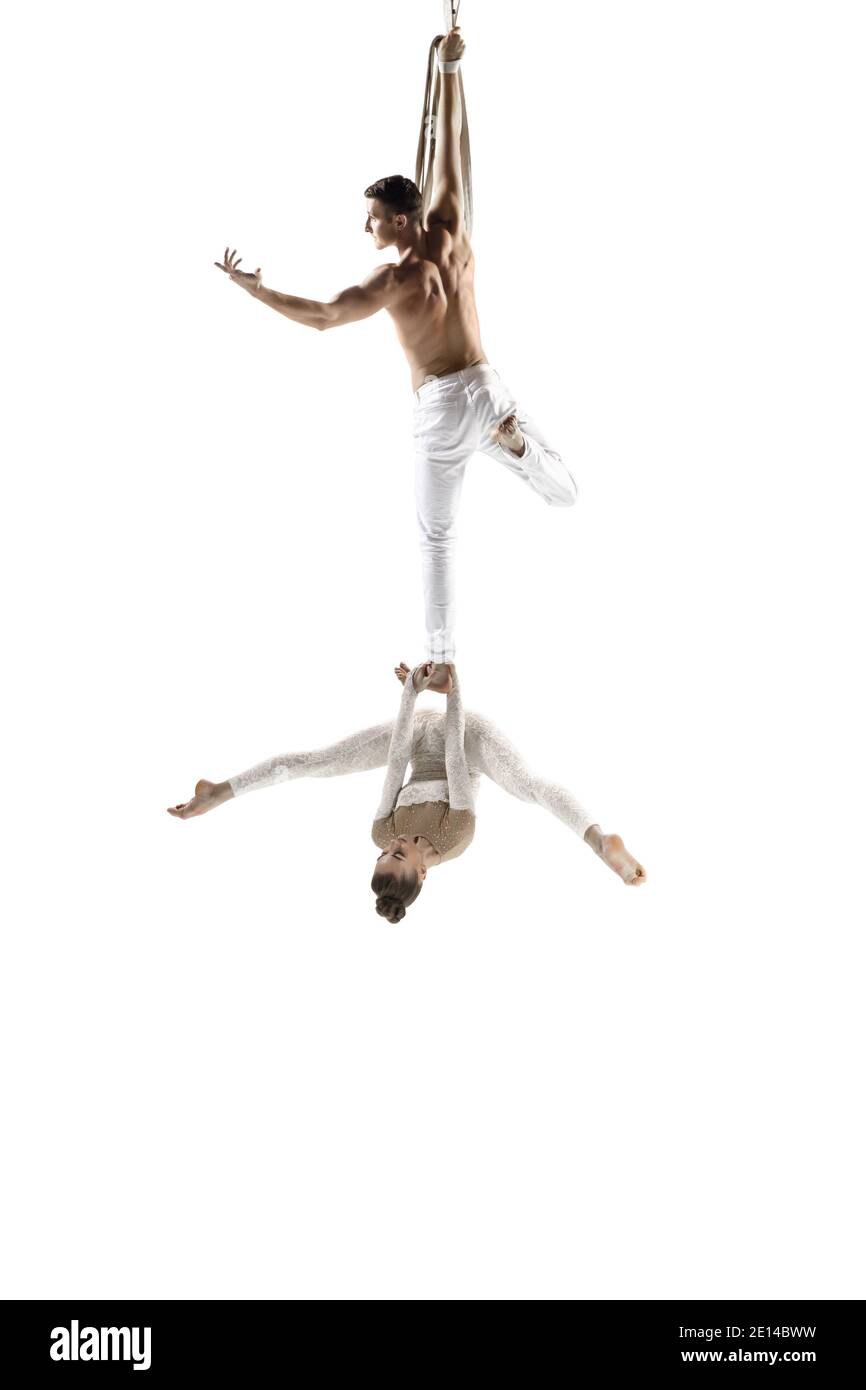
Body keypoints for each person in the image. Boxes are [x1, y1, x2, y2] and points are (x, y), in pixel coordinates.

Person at [215, 27, 577, 663]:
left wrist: (257, 292)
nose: (366, 226)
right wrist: (451, 70)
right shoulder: (452, 234)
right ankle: (517, 448)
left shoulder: (390, 279)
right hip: (490, 392)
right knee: (565, 492)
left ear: (399, 221)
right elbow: (449, 157)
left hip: (440, 407)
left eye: (373, 218)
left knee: (437, 538)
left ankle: (441, 661)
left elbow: (325, 316)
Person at [167, 662, 646, 924]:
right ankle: (599, 841)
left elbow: (397, 763)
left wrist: (411, 696)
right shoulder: (455, 836)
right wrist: (455, 690)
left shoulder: (381, 831)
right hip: (469, 739)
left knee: (315, 762)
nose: (390, 844)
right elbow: (458, 760)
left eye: (383, 854)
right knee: (525, 786)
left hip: (416, 735)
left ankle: (220, 792)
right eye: (397, 854)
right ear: (422, 872)